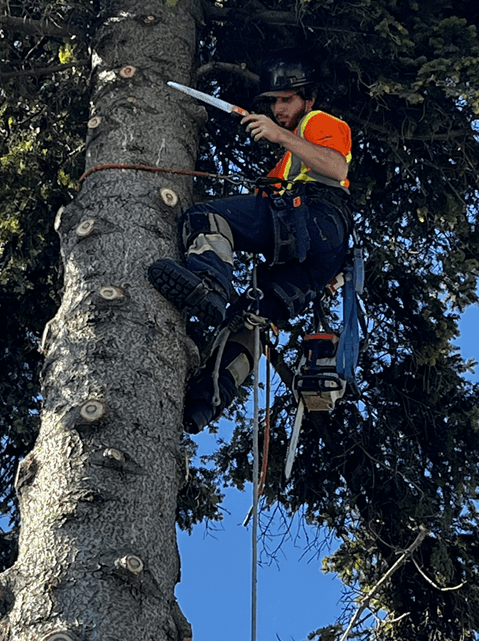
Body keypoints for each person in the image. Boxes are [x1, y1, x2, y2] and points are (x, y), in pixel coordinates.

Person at [149, 59, 353, 432]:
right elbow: (264, 202)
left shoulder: (319, 122)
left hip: (314, 217)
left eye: (287, 100)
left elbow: (336, 168)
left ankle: (210, 285)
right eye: (274, 103)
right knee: (251, 318)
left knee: (206, 218)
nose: (279, 110)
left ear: (308, 100)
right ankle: (208, 400)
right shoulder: (291, 161)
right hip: (319, 252)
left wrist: (279, 134)